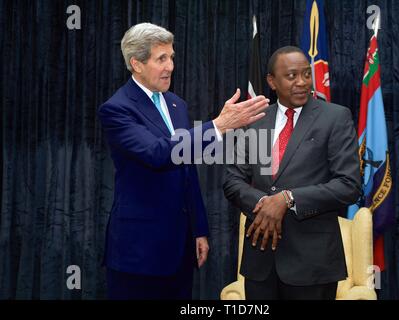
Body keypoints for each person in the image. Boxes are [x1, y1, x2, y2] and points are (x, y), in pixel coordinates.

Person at [97, 22, 269, 300]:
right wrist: (218, 125)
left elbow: (186, 168)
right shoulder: (117, 109)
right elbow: (158, 153)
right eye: (161, 59)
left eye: (172, 57)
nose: (170, 66)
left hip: (179, 246)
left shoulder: (176, 104)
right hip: (138, 251)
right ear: (136, 64)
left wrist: (198, 229)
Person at [223, 46, 361, 300]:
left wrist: (288, 198)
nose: (302, 83)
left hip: (313, 264)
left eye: (307, 75)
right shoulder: (255, 121)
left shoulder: (335, 117)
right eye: (291, 76)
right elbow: (232, 180)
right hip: (260, 263)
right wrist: (264, 203)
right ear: (271, 81)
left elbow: (349, 185)